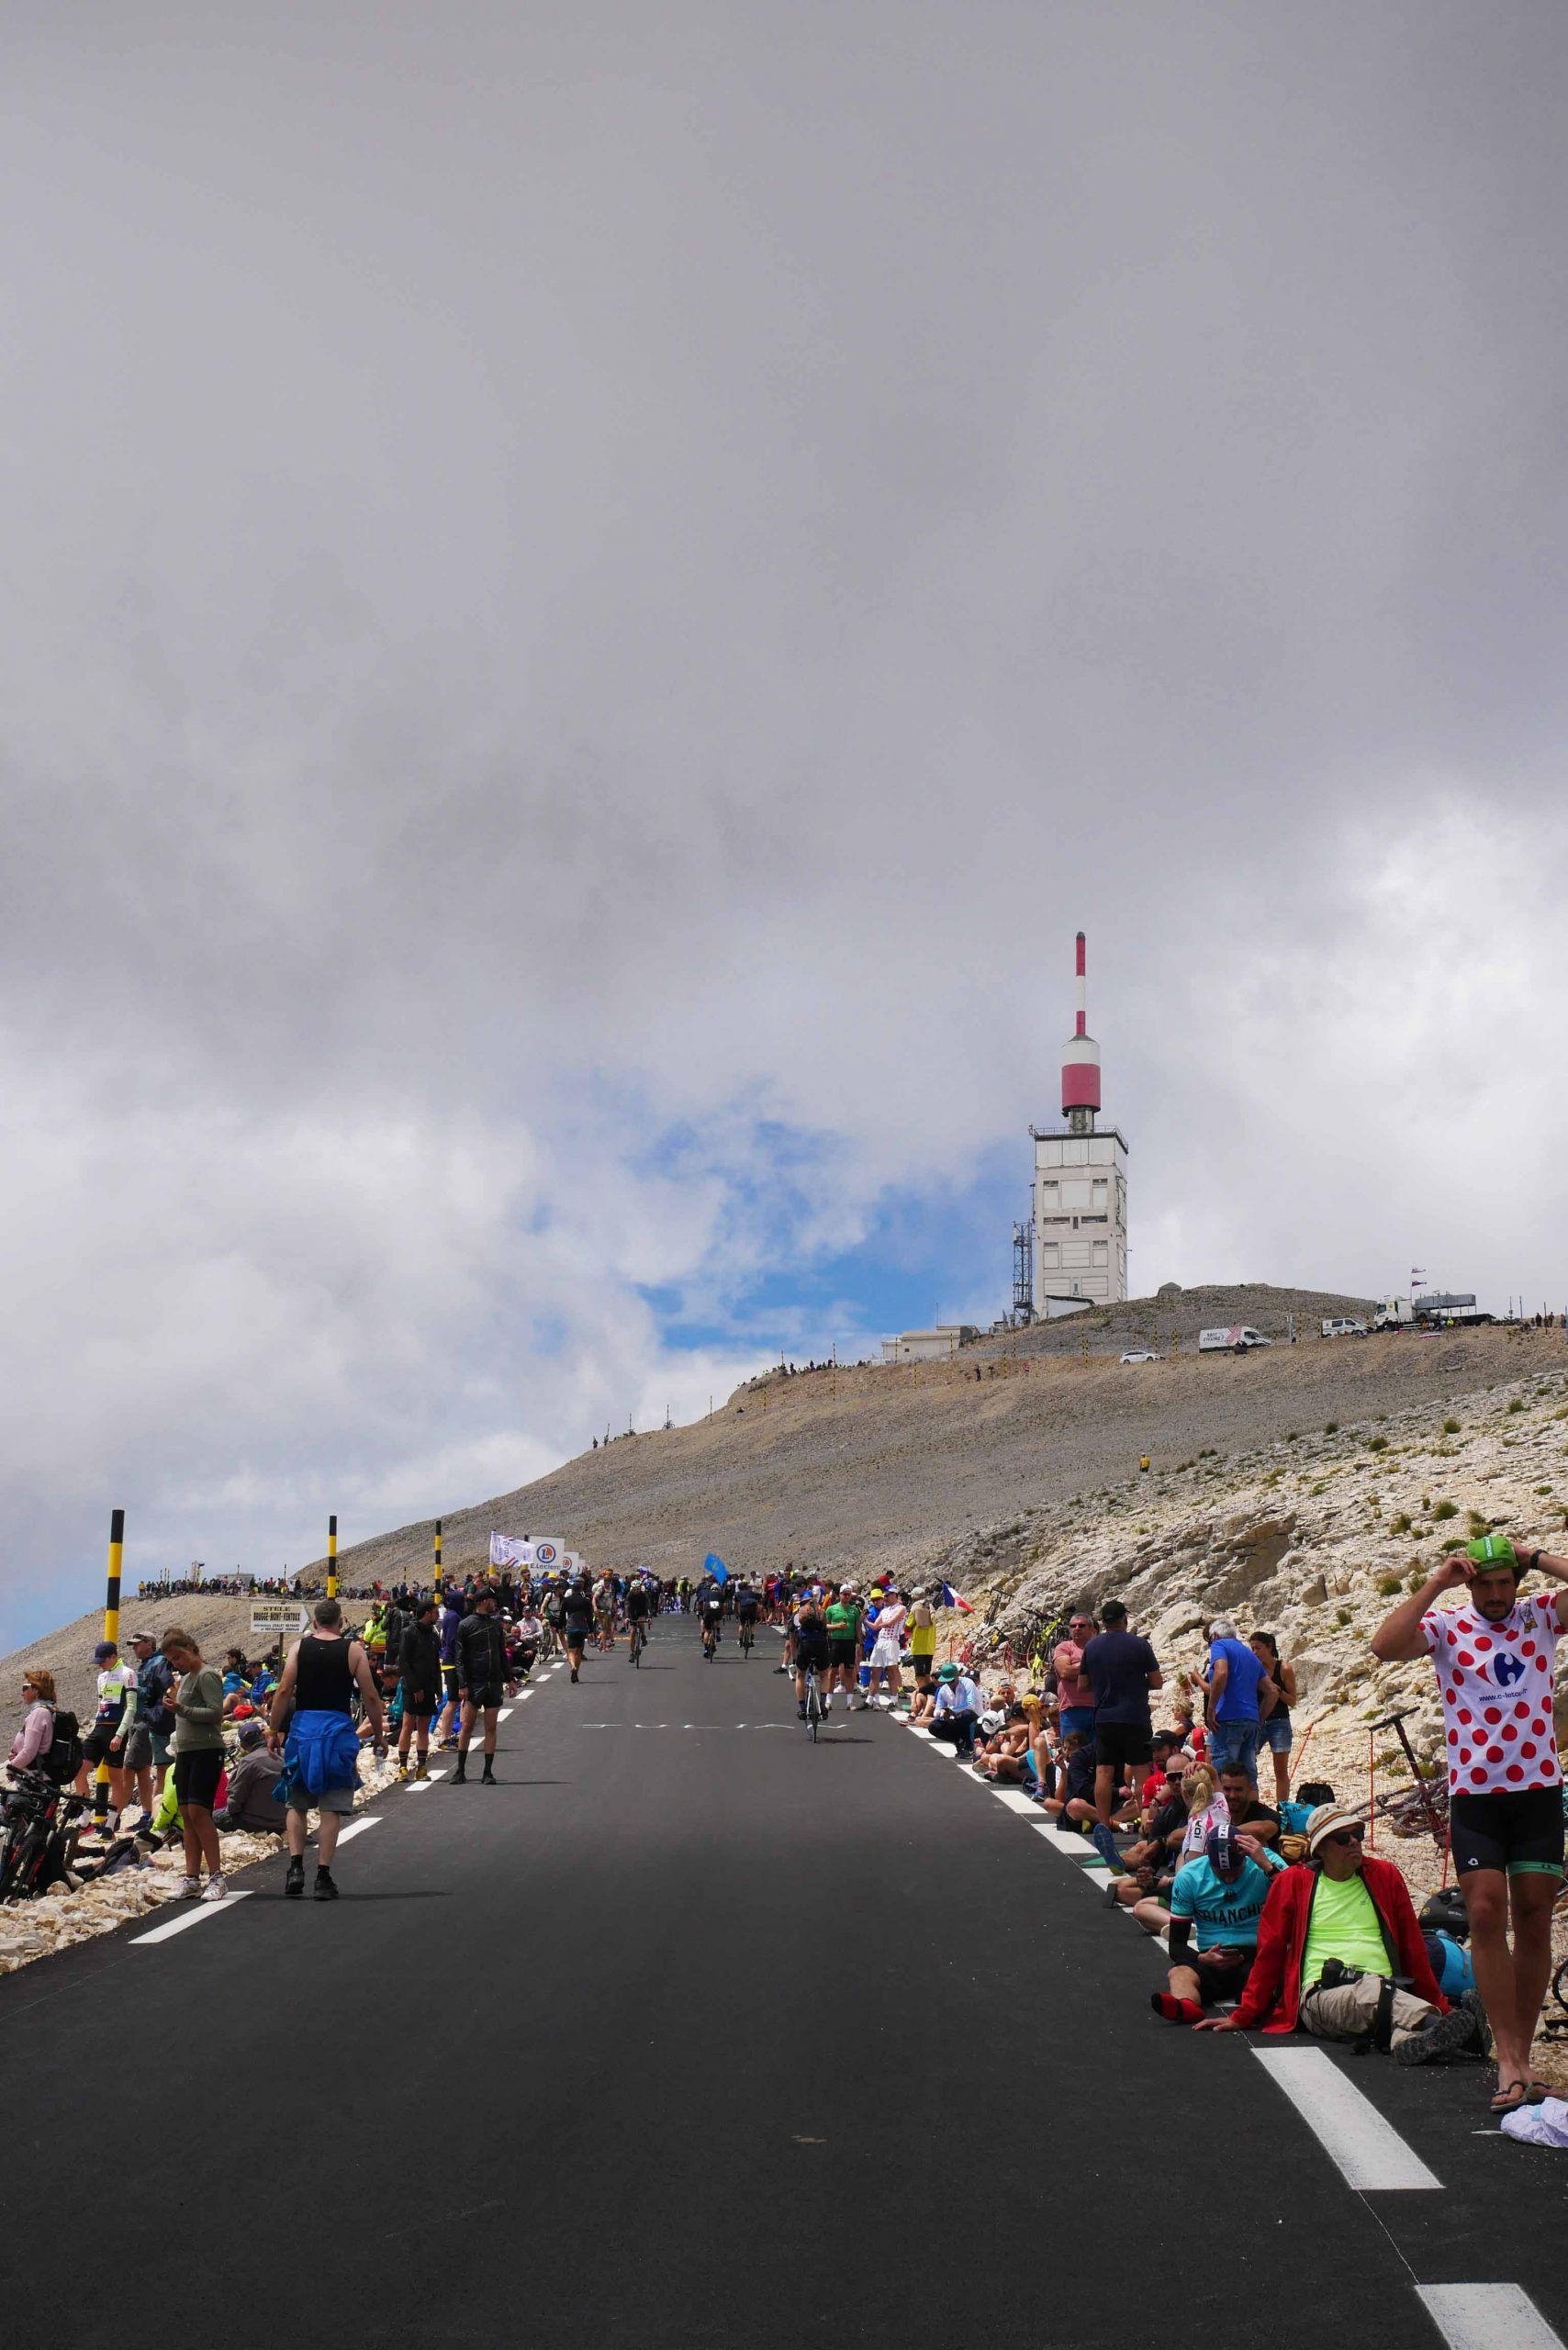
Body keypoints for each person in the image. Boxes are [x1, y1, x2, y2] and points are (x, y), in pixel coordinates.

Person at [1372, 1533, 1567, 2109]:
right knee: (1485, 1914)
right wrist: (1436, 1582)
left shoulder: (1540, 1617)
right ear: (1471, 1584)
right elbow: (1384, 1645)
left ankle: (1523, 2058)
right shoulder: (1450, 1625)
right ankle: (1505, 2057)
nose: (1497, 1594)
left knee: (1535, 1918)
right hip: (1477, 1794)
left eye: (1505, 1582)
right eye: (1486, 1583)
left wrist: (1533, 1557)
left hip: (1537, 1790)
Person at [1196, 1803, 1484, 2065]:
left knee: (1383, 2001)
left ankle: (1412, 2041)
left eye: (1357, 1832)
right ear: (1320, 1848)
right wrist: (1244, 2014)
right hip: (1322, 1994)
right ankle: (1466, 2034)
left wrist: (1440, 2003)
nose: (1355, 1841)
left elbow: (1412, 1947)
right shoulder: (1293, 1882)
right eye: (1343, 1838)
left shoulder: (1385, 1875)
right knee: (1374, 1993)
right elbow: (1269, 1953)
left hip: (1389, 1988)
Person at [268, 1597, 385, 1900]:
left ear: (316, 1622)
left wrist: (272, 1728)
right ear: (341, 1621)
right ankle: (323, 1876)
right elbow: (370, 1696)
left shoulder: (298, 1648)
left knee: (297, 1801)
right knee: (331, 1806)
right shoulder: (353, 1650)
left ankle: (295, 1868)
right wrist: (380, 1734)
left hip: (303, 1731)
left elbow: (283, 1690)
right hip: (336, 1731)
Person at [1151, 1827, 1278, 2024]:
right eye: (1221, 1872)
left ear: (1245, 1857)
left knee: (1258, 1979)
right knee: (1178, 1972)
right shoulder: (1189, 1877)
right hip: (1212, 1956)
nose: (1229, 1879)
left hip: (1258, 1953)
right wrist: (1202, 1958)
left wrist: (1269, 1869)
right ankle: (1185, 2005)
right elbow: (1176, 1946)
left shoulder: (1265, 1861)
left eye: (1235, 1872)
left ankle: (1259, 2002)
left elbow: (1298, 1898)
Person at [1080, 1600, 1161, 1872]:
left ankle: (1103, 1826)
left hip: (1105, 1716)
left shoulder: (1092, 1647)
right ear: (1125, 1619)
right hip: (1135, 1716)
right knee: (1141, 1773)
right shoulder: (1139, 1645)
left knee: (1104, 1772)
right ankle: (1145, 1825)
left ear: (1102, 1622)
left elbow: (1083, 1684)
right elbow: (1157, 1681)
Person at [159, 1628, 229, 1900]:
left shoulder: (207, 1675)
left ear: (190, 1649)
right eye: (172, 1660)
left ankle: (217, 1876)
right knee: (187, 1813)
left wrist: (181, 1709)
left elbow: (214, 1713)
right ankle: (191, 1877)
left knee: (200, 1812)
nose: (176, 1663)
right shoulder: (186, 1679)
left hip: (206, 1750)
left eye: (178, 1657)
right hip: (186, 1751)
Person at [78, 1637, 140, 1828]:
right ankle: (85, 1816)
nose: (100, 1666)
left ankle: (112, 1821)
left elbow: (131, 1708)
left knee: (115, 1777)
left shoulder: (128, 1673)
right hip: (99, 1728)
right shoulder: (101, 1677)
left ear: (113, 1657)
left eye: (102, 1661)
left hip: (116, 1728)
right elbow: (101, 1703)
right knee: (80, 1769)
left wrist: (120, 1734)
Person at [1204, 1617, 1271, 1780]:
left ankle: (1224, 1806)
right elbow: (1272, 1691)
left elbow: (1221, 1672)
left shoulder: (1219, 1645)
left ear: (1216, 1635)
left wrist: (1211, 1709)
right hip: (1250, 1721)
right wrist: (1259, 1719)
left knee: (1223, 1775)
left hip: (1227, 1719)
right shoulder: (1249, 1653)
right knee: (1248, 1776)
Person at [455, 1588, 507, 1784]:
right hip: (474, 1682)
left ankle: (487, 1772)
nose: (496, 1604)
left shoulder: (496, 1625)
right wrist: (463, 1684)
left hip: (493, 1682)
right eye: (493, 1600)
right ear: (484, 1601)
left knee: (491, 1727)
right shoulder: (465, 1625)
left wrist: (509, 1677)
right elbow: (459, 1657)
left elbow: (501, 1654)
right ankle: (460, 1770)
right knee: (467, 1726)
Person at [123, 1629, 172, 1827]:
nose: (134, 1648)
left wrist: (132, 1689)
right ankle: (147, 1814)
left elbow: (158, 1692)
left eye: (137, 1644)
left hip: (147, 1722)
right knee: (144, 1769)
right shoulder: (146, 1664)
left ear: (149, 1644)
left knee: (131, 1766)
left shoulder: (158, 1664)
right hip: (140, 1721)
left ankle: (114, 1815)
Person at [398, 1597, 442, 1780]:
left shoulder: (432, 1634)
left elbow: (435, 1663)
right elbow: (404, 1663)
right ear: (426, 1614)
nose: (437, 1616)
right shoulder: (408, 1633)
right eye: (435, 1613)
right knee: (408, 1725)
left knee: (423, 1727)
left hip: (429, 1686)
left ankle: (421, 1768)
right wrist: (415, 1688)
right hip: (411, 1687)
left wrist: (438, 1689)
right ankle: (402, 1768)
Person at [213, 1721, 285, 1834]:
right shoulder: (283, 1753)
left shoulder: (248, 1762)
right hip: (287, 1819)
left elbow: (234, 1802)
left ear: (242, 1745)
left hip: (259, 1822)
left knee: (215, 1816)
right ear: (262, 1736)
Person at [1250, 1632, 1296, 1804]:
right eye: (1252, 1648)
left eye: (1258, 1648)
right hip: (1258, 1722)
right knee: (1248, 1763)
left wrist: (1276, 1689)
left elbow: (1292, 1701)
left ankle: (1282, 1808)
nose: (1255, 1652)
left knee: (1280, 1770)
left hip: (1279, 1722)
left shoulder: (1284, 1669)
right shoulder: (1254, 1669)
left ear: (1269, 1646)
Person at [1051, 1612, 1099, 1746]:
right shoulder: (1064, 1647)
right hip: (1071, 1710)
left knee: (1099, 1755)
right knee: (1074, 1754)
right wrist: (1094, 1665)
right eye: (1073, 1626)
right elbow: (1065, 1672)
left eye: (1081, 1625)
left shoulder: (1100, 1648)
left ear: (1092, 1629)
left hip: (1099, 1709)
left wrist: (1077, 1668)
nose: (1077, 1628)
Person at [864, 1586, 907, 1707]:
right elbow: (874, 1626)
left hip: (892, 1640)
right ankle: (869, 1700)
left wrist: (879, 1625)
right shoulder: (884, 1610)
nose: (885, 1598)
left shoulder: (901, 1608)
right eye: (885, 1596)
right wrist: (864, 1620)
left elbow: (890, 1623)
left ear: (894, 1595)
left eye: (887, 1596)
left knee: (892, 1671)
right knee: (874, 1670)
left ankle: (894, 1700)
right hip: (881, 1641)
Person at [792, 1588, 832, 1719]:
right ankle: (822, 1701)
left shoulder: (800, 1612)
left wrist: (794, 1655)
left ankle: (802, 1709)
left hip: (805, 1645)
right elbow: (826, 1630)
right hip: (820, 1645)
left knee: (800, 1676)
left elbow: (793, 1635)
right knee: (825, 1675)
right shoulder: (822, 1612)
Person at [927, 1663, 982, 1756]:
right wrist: (942, 1713)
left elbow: (970, 1704)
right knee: (934, 1726)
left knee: (966, 1714)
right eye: (947, 1681)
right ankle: (959, 1741)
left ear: (958, 1675)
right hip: (956, 1720)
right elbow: (937, 1710)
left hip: (975, 1720)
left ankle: (969, 1745)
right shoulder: (943, 1690)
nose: (950, 1684)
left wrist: (952, 1710)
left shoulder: (968, 1683)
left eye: (952, 1681)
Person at [10, 1667, 56, 1770]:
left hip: (35, 1778)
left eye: (25, 1688)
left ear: (36, 1689)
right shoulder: (48, 1709)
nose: (22, 1693)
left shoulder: (39, 1713)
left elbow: (29, 1751)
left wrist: (11, 1768)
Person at [824, 1583, 862, 1706]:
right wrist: (837, 1626)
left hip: (849, 1642)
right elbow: (825, 1625)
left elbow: (858, 1627)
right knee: (833, 1671)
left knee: (849, 1672)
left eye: (848, 1594)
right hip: (835, 1641)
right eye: (844, 1594)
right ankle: (828, 1701)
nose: (846, 1596)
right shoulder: (831, 1609)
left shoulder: (854, 1610)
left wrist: (860, 1643)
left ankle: (849, 1703)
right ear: (839, 1595)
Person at [561, 1579, 594, 1681]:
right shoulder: (586, 1601)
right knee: (579, 1652)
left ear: (572, 1589)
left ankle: (573, 1667)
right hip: (582, 1628)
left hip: (571, 1627)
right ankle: (577, 1672)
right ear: (581, 1589)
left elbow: (562, 1615)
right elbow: (589, 1617)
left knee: (571, 1651)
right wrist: (591, 1630)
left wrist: (562, 1627)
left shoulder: (567, 1600)